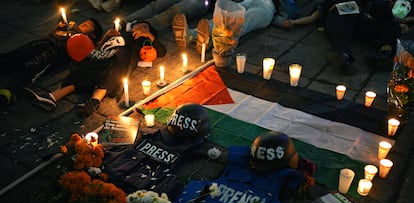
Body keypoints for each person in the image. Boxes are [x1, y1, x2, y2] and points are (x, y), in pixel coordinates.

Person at [24, 21, 166, 115]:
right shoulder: (120, 33)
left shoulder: (141, 40)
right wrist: (106, 37)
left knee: (112, 71)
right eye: (138, 25)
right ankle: (52, 97)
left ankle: (94, 101)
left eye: (145, 27)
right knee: (82, 71)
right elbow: (99, 45)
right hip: (100, 55)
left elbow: (161, 51)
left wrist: (148, 36)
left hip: (118, 59)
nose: (140, 28)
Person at [278, 0, 407, 74]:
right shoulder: (328, 3)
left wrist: (397, 25)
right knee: (342, 33)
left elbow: (373, 18)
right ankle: (343, 57)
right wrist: (293, 22)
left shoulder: (360, 3)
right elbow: (313, 17)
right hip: (338, 15)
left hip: (358, 19)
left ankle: (383, 54)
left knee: (392, 27)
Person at [0, 18, 102, 86]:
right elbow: (53, 34)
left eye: (89, 25)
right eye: (85, 21)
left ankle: (9, 91)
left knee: (30, 69)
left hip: (52, 54)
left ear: (93, 35)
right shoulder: (69, 30)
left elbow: (88, 53)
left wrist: (78, 32)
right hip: (41, 43)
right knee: (17, 54)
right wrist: (58, 27)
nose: (85, 23)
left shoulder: (86, 42)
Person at [172, 0, 277, 53]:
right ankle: (191, 34)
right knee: (227, 16)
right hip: (250, 1)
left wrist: (290, 22)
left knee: (241, 23)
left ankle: (208, 40)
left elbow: (285, 16)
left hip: (267, 8)